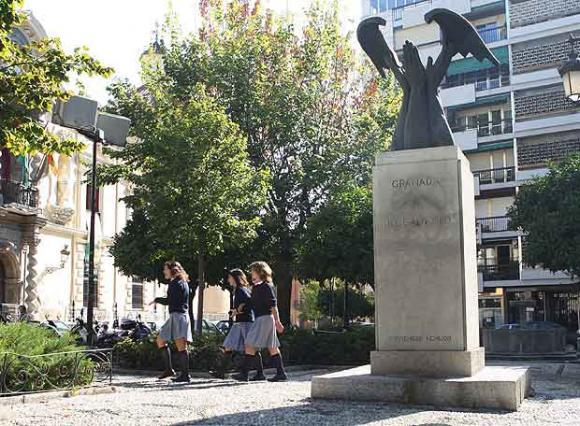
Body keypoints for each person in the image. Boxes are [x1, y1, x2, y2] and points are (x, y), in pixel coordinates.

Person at [234, 261, 287, 382]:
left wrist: (278, 321)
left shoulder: (265, 286)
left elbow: (273, 305)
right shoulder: (257, 287)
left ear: (259, 272)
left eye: (253, 271)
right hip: (263, 319)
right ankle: (280, 373)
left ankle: (244, 374)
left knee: (249, 344)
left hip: (264, 319)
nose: (251, 273)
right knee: (272, 347)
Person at [212, 269, 265, 380]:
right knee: (228, 345)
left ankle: (258, 374)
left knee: (251, 348)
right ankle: (221, 372)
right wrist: (236, 310)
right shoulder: (241, 290)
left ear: (235, 278)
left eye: (230, 277)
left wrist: (238, 310)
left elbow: (248, 302)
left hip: (245, 322)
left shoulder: (241, 290)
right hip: (241, 322)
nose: (228, 279)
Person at [149, 261, 192, 383]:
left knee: (181, 347)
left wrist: (157, 299)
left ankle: (185, 375)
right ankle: (169, 370)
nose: (164, 271)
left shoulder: (176, 283)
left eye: (165, 269)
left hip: (178, 317)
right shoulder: (180, 282)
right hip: (177, 316)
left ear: (172, 270)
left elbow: (170, 300)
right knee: (160, 340)